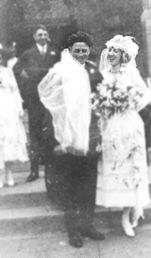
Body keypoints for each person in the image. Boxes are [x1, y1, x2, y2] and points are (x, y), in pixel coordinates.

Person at [38, 31, 105, 248]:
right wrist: (56, 141)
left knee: (89, 184)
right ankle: (73, 229)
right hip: (66, 139)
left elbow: (102, 100)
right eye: (77, 50)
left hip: (89, 136)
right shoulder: (59, 72)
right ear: (69, 51)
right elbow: (49, 107)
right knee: (70, 186)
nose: (81, 53)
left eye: (85, 50)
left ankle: (87, 224)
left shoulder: (93, 72)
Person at [96, 35, 150, 237]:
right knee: (115, 166)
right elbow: (99, 98)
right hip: (110, 125)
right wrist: (105, 106)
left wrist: (128, 103)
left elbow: (144, 95)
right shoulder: (104, 74)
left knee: (131, 167)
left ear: (123, 55)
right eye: (109, 50)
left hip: (129, 124)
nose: (110, 54)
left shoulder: (131, 73)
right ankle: (119, 205)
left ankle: (127, 215)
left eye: (114, 51)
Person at [13, 24, 59, 182]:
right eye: (40, 34)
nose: (43, 37)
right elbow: (16, 68)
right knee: (35, 134)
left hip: (51, 100)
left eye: (45, 34)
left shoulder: (55, 52)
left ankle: (52, 170)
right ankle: (34, 171)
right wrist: (24, 75)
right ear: (34, 37)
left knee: (52, 133)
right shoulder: (27, 54)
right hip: (35, 100)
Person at [0, 48, 28, 187]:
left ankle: (9, 173)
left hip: (8, 107)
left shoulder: (8, 72)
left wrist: (18, 108)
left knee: (10, 139)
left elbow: (15, 90)